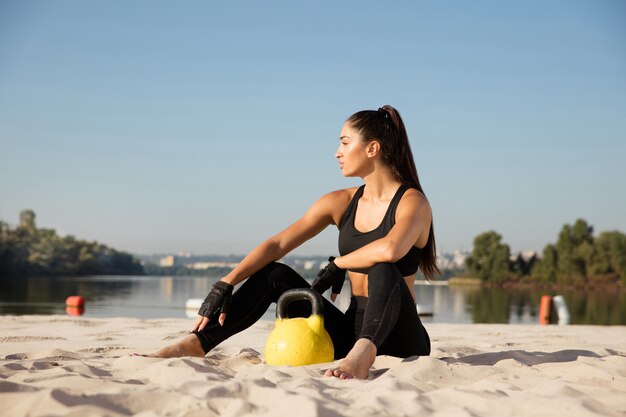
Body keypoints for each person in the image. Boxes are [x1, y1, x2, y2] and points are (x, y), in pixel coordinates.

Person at [147, 105, 439, 380]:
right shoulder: (339, 202)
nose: (337, 153)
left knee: (383, 268)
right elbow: (278, 244)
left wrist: (338, 263)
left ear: (372, 148)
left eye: (345, 143)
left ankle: (365, 353)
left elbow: (390, 249)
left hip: (402, 335)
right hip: (352, 329)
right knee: (275, 274)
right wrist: (226, 282)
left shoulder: (413, 202)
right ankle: (197, 343)